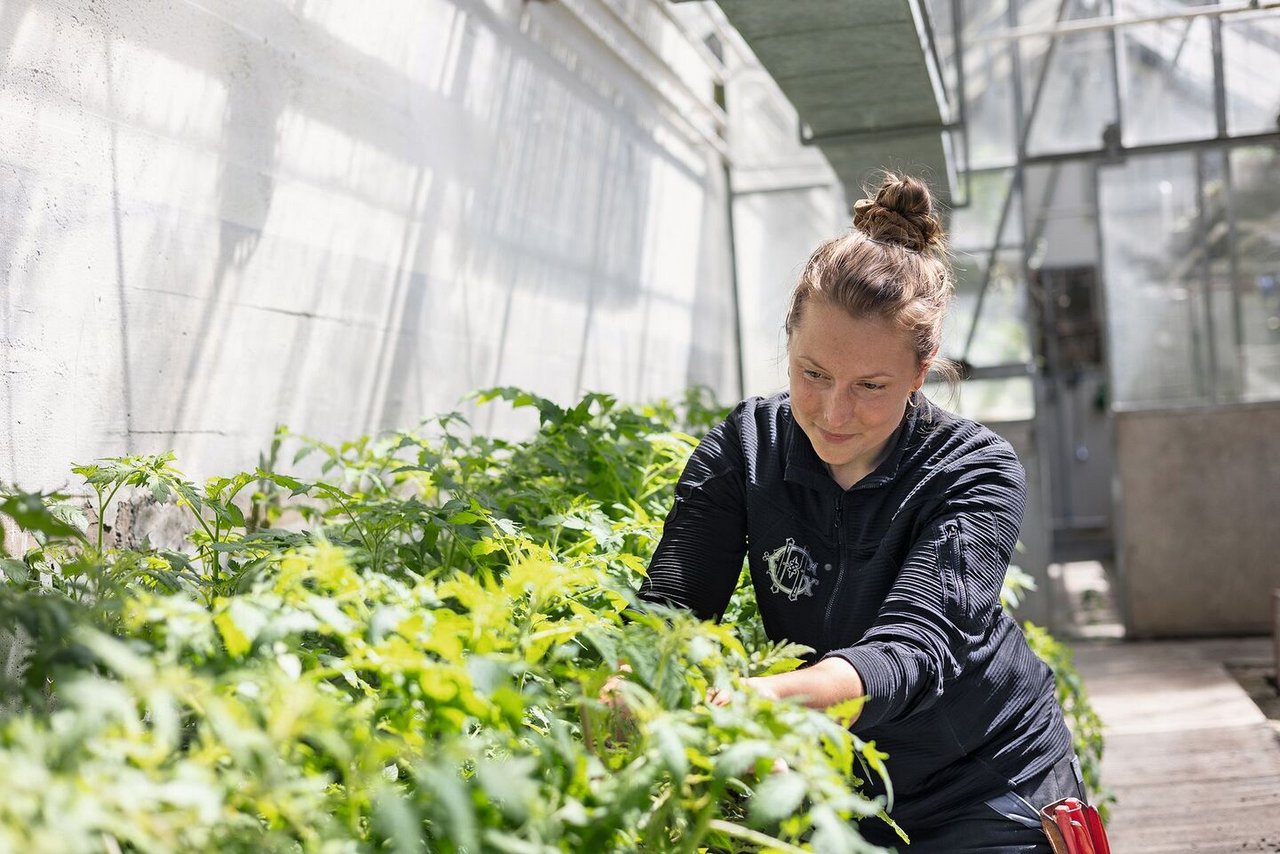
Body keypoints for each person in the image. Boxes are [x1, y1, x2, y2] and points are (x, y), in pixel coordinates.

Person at [634, 174, 1086, 851]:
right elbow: (671, 610)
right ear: (788, 343)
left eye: (871, 386)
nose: (833, 412)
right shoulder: (748, 449)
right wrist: (630, 680)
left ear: (921, 371)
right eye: (812, 373)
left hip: (990, 780)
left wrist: (773, 697)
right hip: (841, 786)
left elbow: (914, 648)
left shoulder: (973, 471)